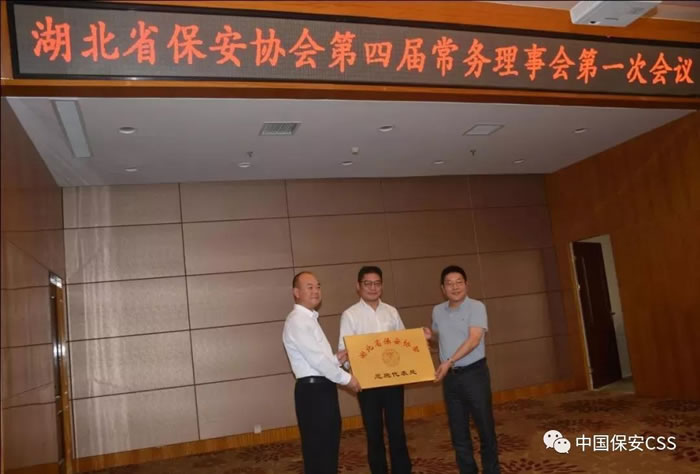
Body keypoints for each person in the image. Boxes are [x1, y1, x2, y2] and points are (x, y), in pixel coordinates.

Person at [338, 265, 420, 474]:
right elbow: (343, 351)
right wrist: (352, 373)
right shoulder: (350, 315)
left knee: (397, 431)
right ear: (358, 286)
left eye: (377, 283)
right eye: (368, 283)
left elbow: (404, 342)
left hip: (393, 381)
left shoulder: (391, 311)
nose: (373, 288)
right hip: (367, 385)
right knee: (374, 433)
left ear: (382, 286)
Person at [282, 271, 362, 474]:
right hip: (313, 392)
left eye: (318, 286)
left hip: (321, 388)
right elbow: (317, 361)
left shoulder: (309, 319)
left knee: (328, 447)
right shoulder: (297, 320)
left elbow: (318, 360)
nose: (316, 291)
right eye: (309, 287)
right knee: (319, 450)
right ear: (296, 292)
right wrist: (347, 379)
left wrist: (336, 359)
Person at [428, 265, 500, 474]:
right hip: (450, 379)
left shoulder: (476, 307)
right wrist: (429, 337)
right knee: (458, 433)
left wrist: (449, 361)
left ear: (467, 284)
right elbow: (439, 338)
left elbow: (474, 339)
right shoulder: (437, 311)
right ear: (443, 289)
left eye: (459, 282)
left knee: (485, 428)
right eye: (449, 284)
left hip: (474, 374)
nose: (455, 287)